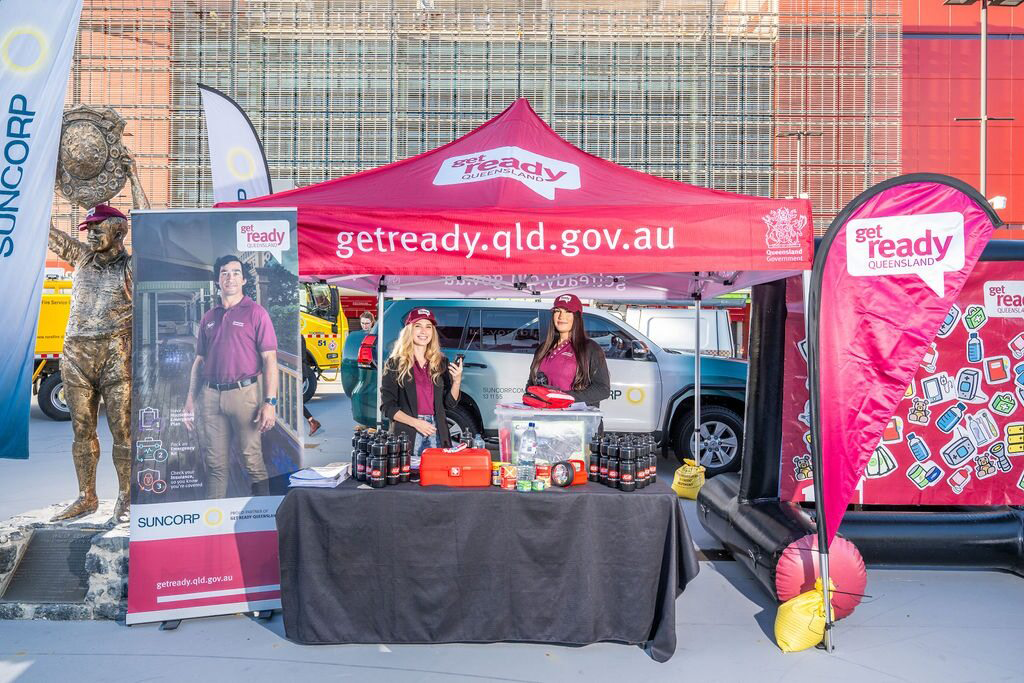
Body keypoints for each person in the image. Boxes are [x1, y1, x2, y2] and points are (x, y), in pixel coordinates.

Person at [183, 255, 278, 497]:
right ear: (218, 280)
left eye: (236, 272)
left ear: (244, 279)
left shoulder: (257, 314)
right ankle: (215, 524)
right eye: (224, 272)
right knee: (215, 465)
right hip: (210, 396)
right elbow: (199, 362)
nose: (230, 277)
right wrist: (190, 400)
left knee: (252, 462)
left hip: (245, 395)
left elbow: (270, 360)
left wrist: (270, 403)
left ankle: (265, 520)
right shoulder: (209, 317)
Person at [380, 308, 463, 462]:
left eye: (428, 326)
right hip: (408, 430)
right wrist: (416, 423)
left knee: (437, 478)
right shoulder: (395, 364)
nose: (424, 331)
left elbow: (449, 404)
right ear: (409, 330)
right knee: (409, 480)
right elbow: (388, 407)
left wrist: (457, 380)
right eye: (418, 325)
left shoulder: (441, 362)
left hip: (437, 430)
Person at [526, 294, 611, 408]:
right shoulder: (543, 348)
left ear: (577, 316)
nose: (561, 316)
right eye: (557, 311)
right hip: (545, 419)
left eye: (568, 311)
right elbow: (531, 384)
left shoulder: (590, 348)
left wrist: (563, 398)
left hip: (575, 420)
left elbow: (602, 389)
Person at [300, 336, 321, 436]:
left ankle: (312, 422)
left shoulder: (293, 335)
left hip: (297, 371)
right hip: (299, 370)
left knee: (291, 399)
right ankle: (312, 421)